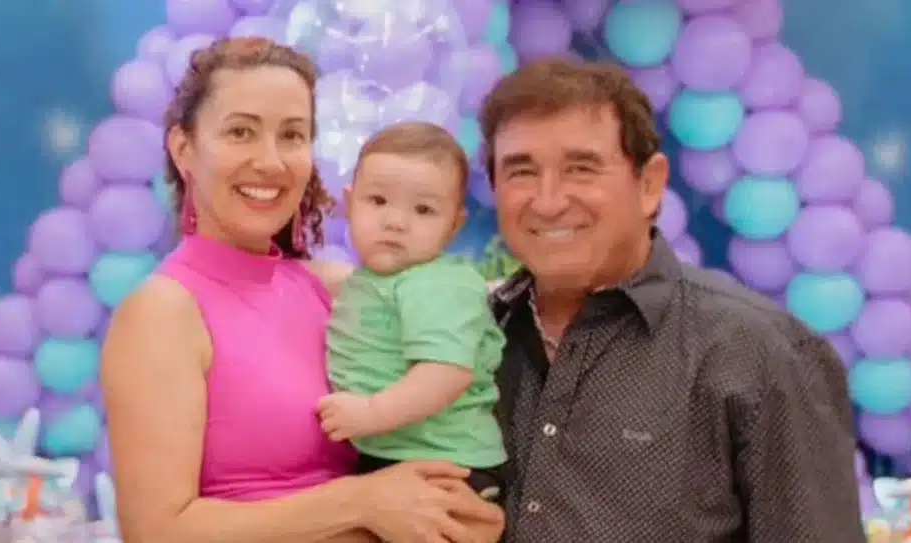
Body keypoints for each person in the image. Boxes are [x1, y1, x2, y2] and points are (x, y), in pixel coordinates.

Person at [100, 37, 503, 543]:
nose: (270, 161)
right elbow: (157, 532)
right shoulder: (163, 312)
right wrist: (360, 501)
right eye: (241, 132)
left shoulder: (333, 290)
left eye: (292, 135)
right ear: (184, 149)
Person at [480, 58, 866, 542]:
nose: (549, 200)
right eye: (521, 172)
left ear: (650, 185)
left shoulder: (760, 352)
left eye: (581, 169)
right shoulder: (468, 338)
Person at [316, 122, 507, 501]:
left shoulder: (439, 285)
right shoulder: (374, 278)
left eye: (423, 209)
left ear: (454, 226)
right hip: (394, 451)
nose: (395, 222)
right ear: (350, 205)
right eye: (378, 201)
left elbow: (445, 374)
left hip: (447, 460)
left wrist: (371, 413)